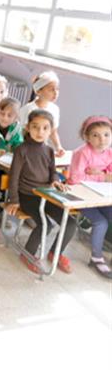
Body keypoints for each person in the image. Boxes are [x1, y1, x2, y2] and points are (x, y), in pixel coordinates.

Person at [6, 110, 77, 274]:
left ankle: (55, 253)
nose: (40, 132)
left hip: (46, 195)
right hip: (27, 196)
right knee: (46, 224)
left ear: (51, 130)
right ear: (28, 128)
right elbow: (13, 177)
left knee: (71, 223)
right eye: (35, 127)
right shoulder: (21, 149)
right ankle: (28, 254)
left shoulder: (49, 150)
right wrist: (14, 200)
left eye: (45, 128)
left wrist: (56, 181)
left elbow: (53, 172)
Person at [68, 116, 112, 278]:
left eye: (106, 135)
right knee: (101, 222)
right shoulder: (82, 153)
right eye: (96, 135)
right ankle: (96, 257)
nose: (102, 140)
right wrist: (103, 176)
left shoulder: (109, 153)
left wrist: (98, 174)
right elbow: (75, 179)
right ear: (87, 137)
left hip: (100, 196)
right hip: (80, 197)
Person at [19, 71, 64, 156]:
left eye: (57, 89)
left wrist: (58, 147)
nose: (55, 92)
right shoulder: (28, 109)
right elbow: (21, 133)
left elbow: (53, 131)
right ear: (38, 91)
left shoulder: (55, 109)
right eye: (51, 89)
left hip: (41, 149)